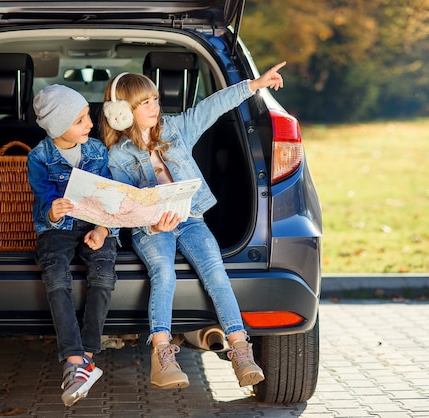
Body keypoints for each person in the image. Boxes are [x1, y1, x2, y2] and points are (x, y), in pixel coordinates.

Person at [101, 62, 286, 389]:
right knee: (164, 272)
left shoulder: (175, 129)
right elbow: (122, 207)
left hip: (191, 220)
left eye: (155, 99)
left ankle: (241, 349)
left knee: (215, 271)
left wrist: (254, 84)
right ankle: (162, 355)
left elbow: (211, 106)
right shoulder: (116, 156)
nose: (155, 107)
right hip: (151, 229)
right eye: (145, 103)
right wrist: (151, 223)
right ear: (120, 112)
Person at [27, 84, 119, 406]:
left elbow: (108, 195)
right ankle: (75, 361)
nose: (90, 124)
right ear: (58, 126)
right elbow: (42, 199)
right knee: (56, 278)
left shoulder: (96, 150)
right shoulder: (39, 157)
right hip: (58, 230)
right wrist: (51, 211)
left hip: (95, 225)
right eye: (81, 120)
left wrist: (103, 229)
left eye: (87, 118)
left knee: (104, 274)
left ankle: (88, 355)